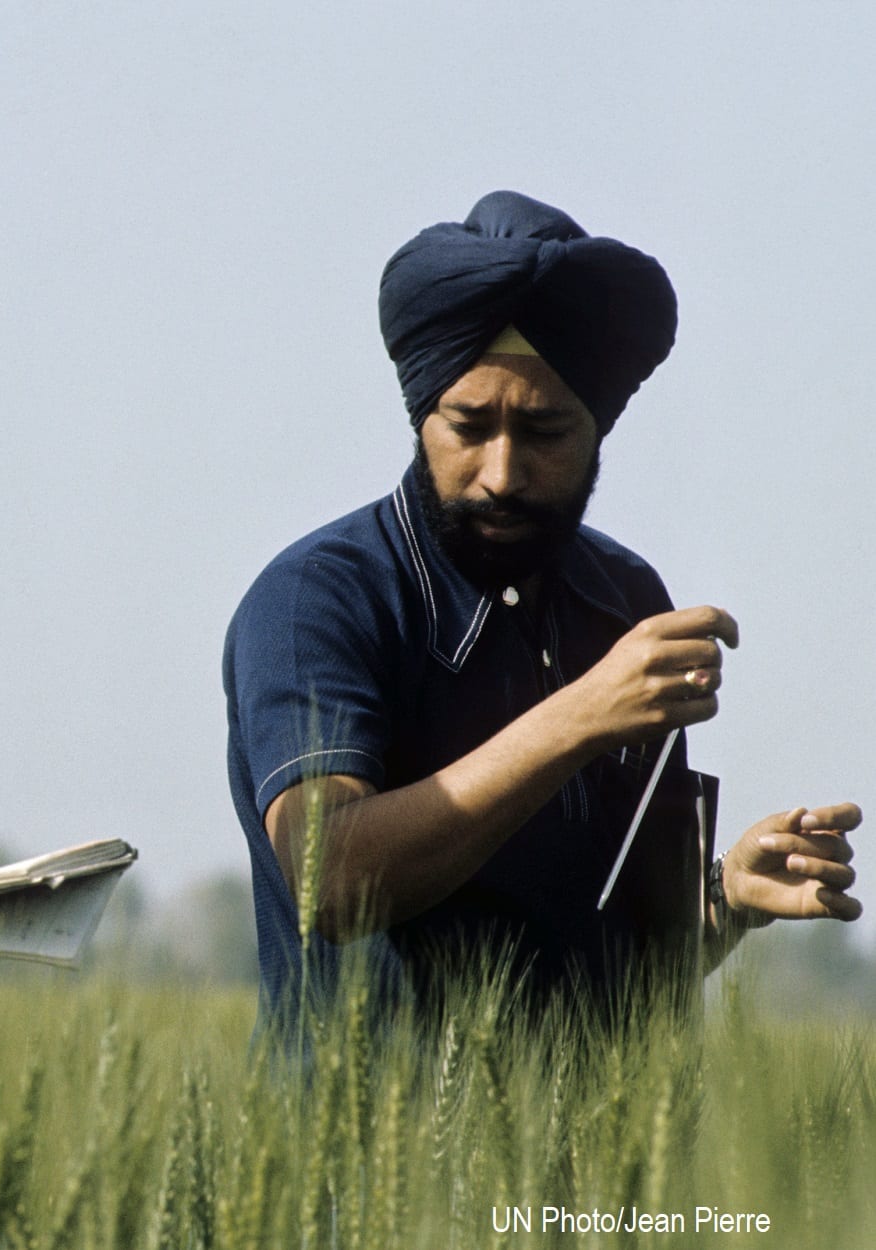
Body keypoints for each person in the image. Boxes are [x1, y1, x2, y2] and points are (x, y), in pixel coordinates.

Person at [223, 190, 860, 1046]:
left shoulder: (627, 601)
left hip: (570, 1177)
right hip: (371, 1171)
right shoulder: (319, 601)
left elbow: (623, 966)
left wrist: (727, 899)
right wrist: (583, 716)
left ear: (598, 430)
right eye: (468, 424)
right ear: (422, 416)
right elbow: (326, 881)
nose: (501, 471)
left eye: (545, 430)